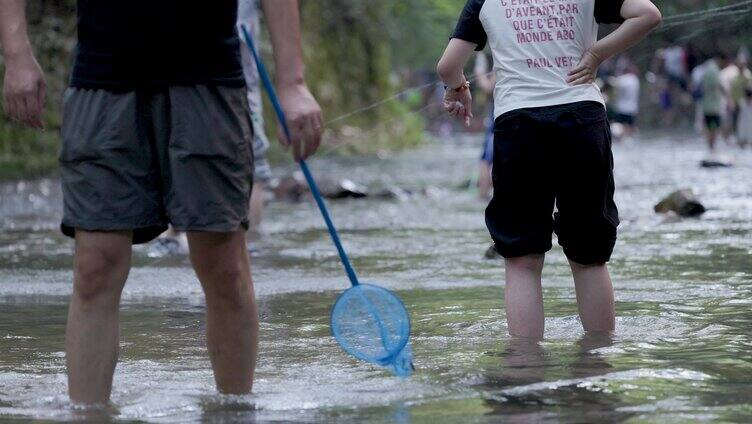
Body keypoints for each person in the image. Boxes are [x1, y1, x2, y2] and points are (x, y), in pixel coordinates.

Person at [0, 0, 323, 405]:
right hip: (102, 75)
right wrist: (16, 55)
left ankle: (234, 412)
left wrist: (291, 81)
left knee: (223, 265)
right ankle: (88, 414)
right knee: (94, 266)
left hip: (208, 76)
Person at [437, 0, 661, 339]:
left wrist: (459, 88)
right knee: (589, 256)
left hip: (519, 123)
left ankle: (525, 368)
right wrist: (598, 53)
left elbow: (448, 65)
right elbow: (648, 15)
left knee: (522, 259)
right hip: (582, 117)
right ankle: (596, 367)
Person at [702, 56, 726, 152]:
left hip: (706, 106)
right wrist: (727, 97)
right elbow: (720, 86)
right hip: (715, 107)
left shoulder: (705, 73)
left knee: (708, 127)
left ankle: (709, 145)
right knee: (715, 127)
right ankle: (712, 146)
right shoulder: (715, 72)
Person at [611, 63, 641, 140]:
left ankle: (622, 139)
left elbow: (613, 85)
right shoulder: (635, 79)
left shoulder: (622, 79)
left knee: (621, 126)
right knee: (631, 126)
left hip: (622, 107)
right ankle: (634, 139)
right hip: (632, 107)